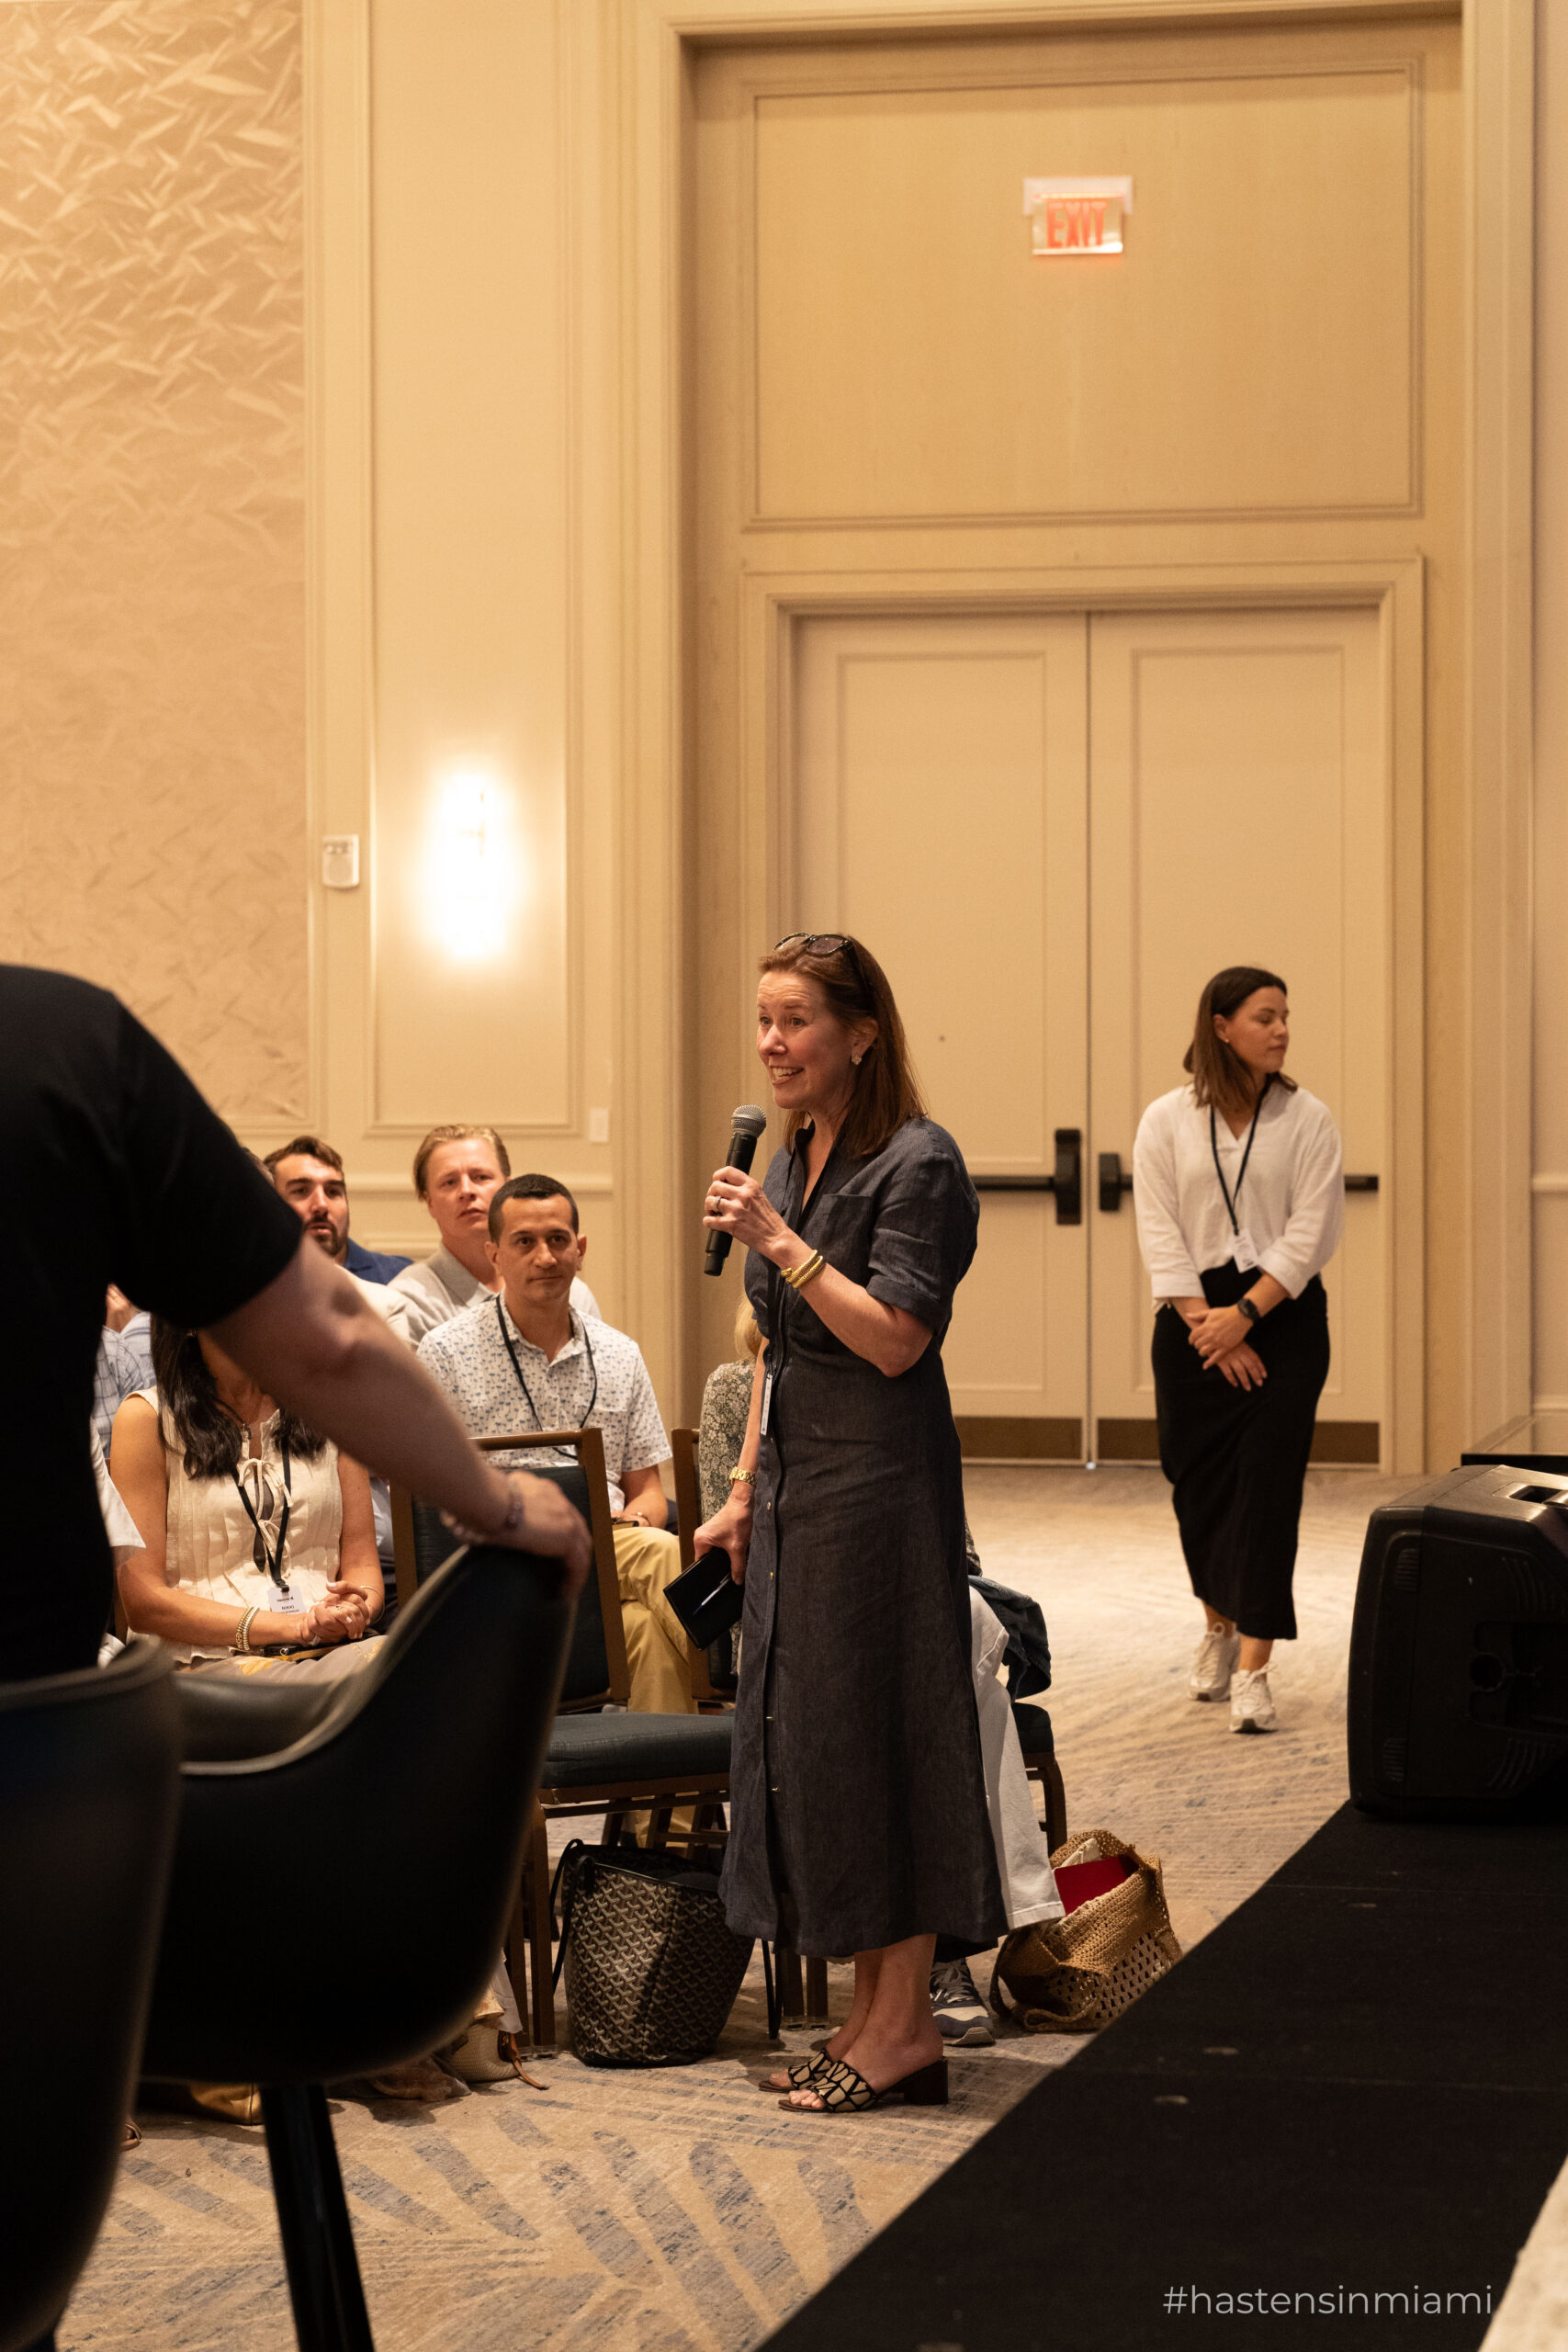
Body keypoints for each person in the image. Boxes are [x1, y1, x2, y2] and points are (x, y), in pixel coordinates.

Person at [0, 966, 591, 1687]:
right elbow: (325, 1342)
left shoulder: (70, 1039)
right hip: (65, 1662)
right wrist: (497, 1503)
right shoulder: (68, 1038)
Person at [695, 932, 1003, 2116]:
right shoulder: (792, 1151)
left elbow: (895, 1340)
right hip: (795, 1488)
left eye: (795, 1021)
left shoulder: (919, 1160)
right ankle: (875, 2017)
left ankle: (905, 2025)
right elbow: (777, 1350)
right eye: (763, 1020)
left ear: (861, 1034)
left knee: (888, 1737)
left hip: (880, 1488)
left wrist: (780, 1241)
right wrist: (739, 1489)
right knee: (822, 1745)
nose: (771, 1043)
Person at [1133, 965, 1344, 1735]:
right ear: (1220, 1027)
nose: (1281, 1030)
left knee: (1266, 1490)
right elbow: (1158, 1227)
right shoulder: (1165, 1119)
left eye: (1285, 1016)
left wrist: (1245, 1316)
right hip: (1191, 1323)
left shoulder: (1307, 1118)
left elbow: (1312, 1231)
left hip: (1281, 1321)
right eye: (1264, 1017)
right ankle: (1217, 1625)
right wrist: (1209, 1329)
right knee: (1198, 1488)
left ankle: (1255, 1665)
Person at [419, 1175, 695, 1716]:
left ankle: (668, 1771)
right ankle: (750, 1672)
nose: (544, 1256)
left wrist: (633, 1520)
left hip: (611, 1550)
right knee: (664, 1553)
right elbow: (427, 1499)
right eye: (524, 1242)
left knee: (648, 1630)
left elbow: (648, 1493)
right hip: (505, 1553)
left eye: (558, 1240)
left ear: (580, 1249)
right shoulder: (447, 1352)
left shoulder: (619, 1354)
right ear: (494, 1254)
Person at [111, 1320, 384, 1679]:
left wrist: (353, 1609)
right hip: (205, 1661)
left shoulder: (328, 1405)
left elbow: (362, 1563)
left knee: (415, 1666)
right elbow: (144, 1602)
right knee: (346, 1689)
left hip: (329, 1647)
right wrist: (294, 1626)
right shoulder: (147, 1417)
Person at [390, 1125, 600, 1346]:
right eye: (449, 1182)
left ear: (508, 1189)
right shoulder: (407, 1301)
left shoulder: (572, 1292)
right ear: (429, 1201)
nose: (467, 1191)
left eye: (481, 1177)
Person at [263, 1135, 412, 1284]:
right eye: (301, 1190)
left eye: (333, 1192)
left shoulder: (400, 1278)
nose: (322, 1205)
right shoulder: (254, 1283)